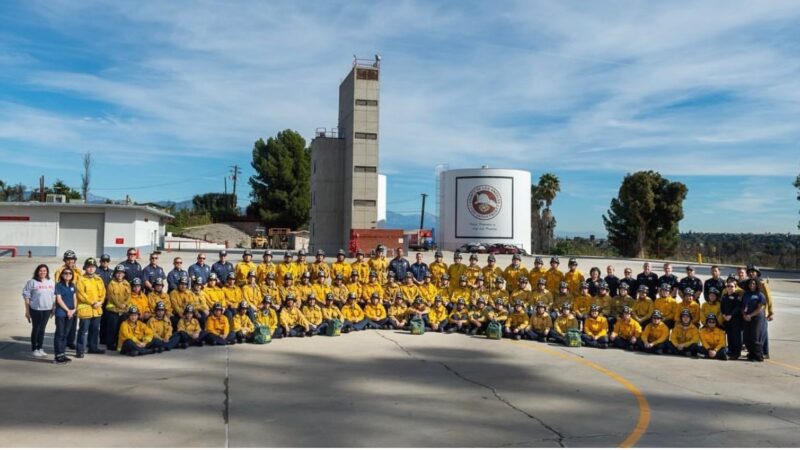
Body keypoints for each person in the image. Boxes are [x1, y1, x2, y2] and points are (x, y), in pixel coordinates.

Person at [75, 258, 106, 358]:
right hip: (86, 309)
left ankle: (93, 348)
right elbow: (81, 294)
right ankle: (80, 350)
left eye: (93, 267)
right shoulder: (81, 279)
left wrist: (100, 302)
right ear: (85, 268)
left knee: (95, 330)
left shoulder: (99, 279)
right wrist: (92, 302)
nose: (91, 269)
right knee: (83, 331)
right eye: (89, 267)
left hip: (96, 309)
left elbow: (103, 292)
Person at [23, 264, 55, 358]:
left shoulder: (51, 282)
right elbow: (26, 296)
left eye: (44, 271)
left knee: (42, 329)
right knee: (36, 328)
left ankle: (40, 347)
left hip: (47, 309)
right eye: (41, 270)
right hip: (36, 309)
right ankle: (34, 349)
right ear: (37, 271)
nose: (42, 272)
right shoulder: (32, 282)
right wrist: (27, 311)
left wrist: (53, 308)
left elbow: (53, 296)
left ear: (47, 272)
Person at [54, 250, 82, 350]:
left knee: (73, 324)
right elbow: (58, 286)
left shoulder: (78, 271)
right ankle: (61, 344)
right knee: (62, 328)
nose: (70, 261)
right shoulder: (60, 271)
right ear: (64, 260)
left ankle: (70, 342)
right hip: (63, 300)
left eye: (72, 259)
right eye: (68, 259)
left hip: (74, 300)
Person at [745, 264, 773, 359]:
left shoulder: (762, 283)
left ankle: (765, 352)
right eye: (749, 272)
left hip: (762, 313)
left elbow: (768, 298)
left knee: (762, 334)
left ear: (757, 273)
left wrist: (771, 312)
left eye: (753, 272)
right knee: (754, 335)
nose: (751, 273)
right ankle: (754, 352)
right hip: (752, 313)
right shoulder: (748, 283)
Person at [53, 268, 77, 364]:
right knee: (60, 334)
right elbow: (59, 300)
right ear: (62, 275)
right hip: (61, 313)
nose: (68, 275)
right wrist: (68, 310)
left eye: (70, 273)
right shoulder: (59, 285)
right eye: (65, 273)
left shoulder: (72, 285)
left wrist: (74, 309)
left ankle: (62, 354)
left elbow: (75, 298)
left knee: (66, 334)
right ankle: (58, 356)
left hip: (71, 313)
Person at [741, 278, 766, 362]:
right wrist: (744, 315)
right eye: (750, 284)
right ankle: (751, 354)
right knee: (747, 337)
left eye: (754, 284)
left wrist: (750, 315)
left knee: (755, 337)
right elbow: (742, 306)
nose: (752, 285)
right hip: (746, 317)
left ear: (757, 285)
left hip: (756, 318)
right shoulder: (745, 294)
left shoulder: (760, 295)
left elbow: (760, 308)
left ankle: (758, 355)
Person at [720, 277, 743, 359]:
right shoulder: (724, 296)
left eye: (732, 286)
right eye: (728, 286)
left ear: (735, 287)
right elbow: (722, 307)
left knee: (736, 337)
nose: (729, 288)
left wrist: (731, 315)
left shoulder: (737, 297)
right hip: (726, 319)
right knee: (729, 336)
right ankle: (731, 351)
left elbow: (738, 307)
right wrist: (723, 315)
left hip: (735, 320)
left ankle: (737, 353)